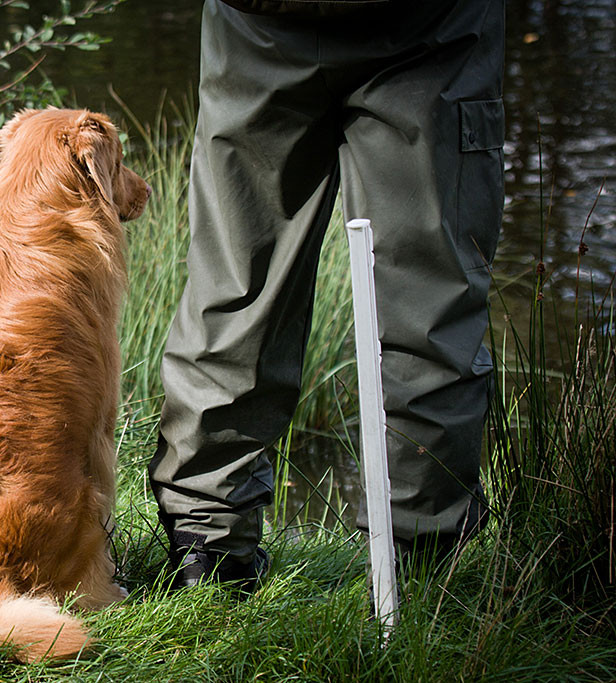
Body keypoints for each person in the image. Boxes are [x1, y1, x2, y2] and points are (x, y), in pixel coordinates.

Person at [150, 0, 504, 591]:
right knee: (430, 301)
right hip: (429, 32)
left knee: (235, 288)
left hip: (263, 23)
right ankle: (415, 569)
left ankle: (208, 550)